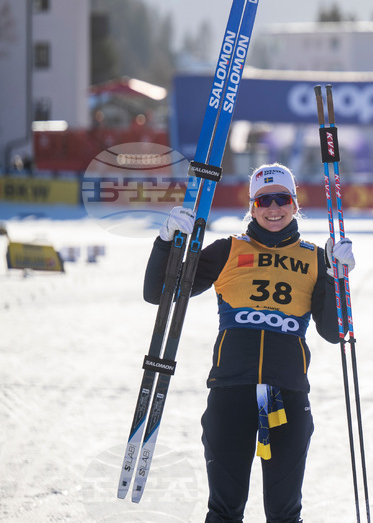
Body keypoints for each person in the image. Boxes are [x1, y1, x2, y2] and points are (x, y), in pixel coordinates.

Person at [144, 162, 355, 523]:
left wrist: (338, 279)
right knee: (224, 509)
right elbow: (158, 293)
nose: (274, 208)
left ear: (294, 202)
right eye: (264, 200)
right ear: (252, 206)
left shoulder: (315, 256)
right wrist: (165, 242)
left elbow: (335, 332)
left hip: (287, 393)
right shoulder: (228, 249)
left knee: (284, 512)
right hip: (232, 391)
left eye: (282, 199)